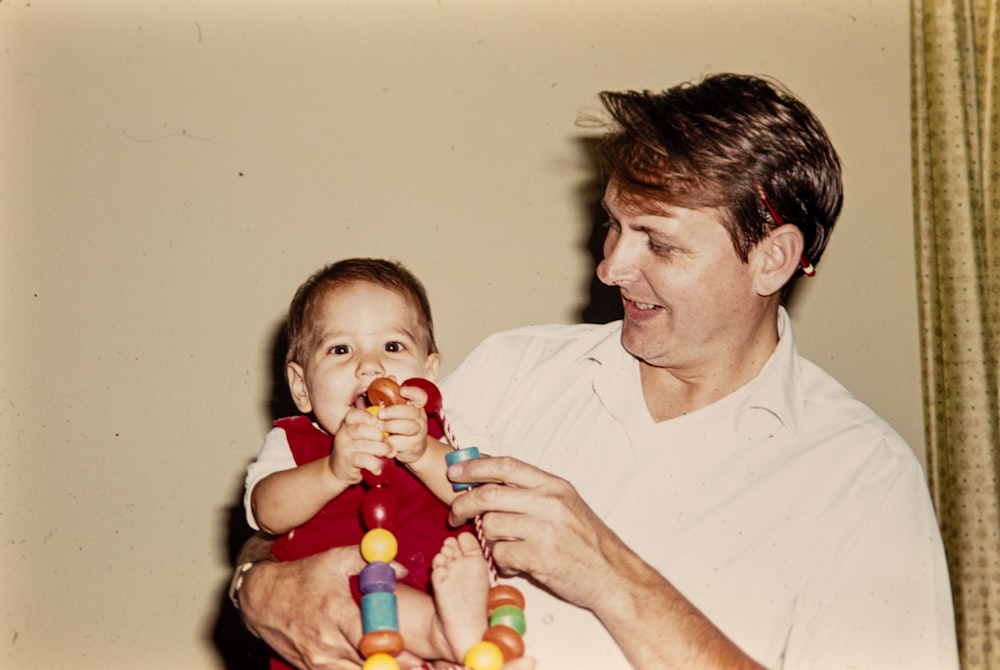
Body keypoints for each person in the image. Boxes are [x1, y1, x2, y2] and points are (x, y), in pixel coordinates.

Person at [231, 74, 959, 669]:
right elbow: (320, 497)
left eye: (660, 245)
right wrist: (258, 586)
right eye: (613, 225)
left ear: (770, 257)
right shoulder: (514, 370)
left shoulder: (862, 480)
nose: (611, 266)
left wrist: (611, 575)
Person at [240, 258, 493, 668]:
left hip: (438, 590)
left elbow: (480, 494)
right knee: (377, 598)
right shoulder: (293, 441)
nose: (371, 366)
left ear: (428, 372)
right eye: (341, 349)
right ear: (301, 388)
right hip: (337, 618)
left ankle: (451, 635)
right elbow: (266, 513)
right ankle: (446, 632)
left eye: (393, 347)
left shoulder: (445, 429)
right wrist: (332, 471)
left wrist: (422, 452)